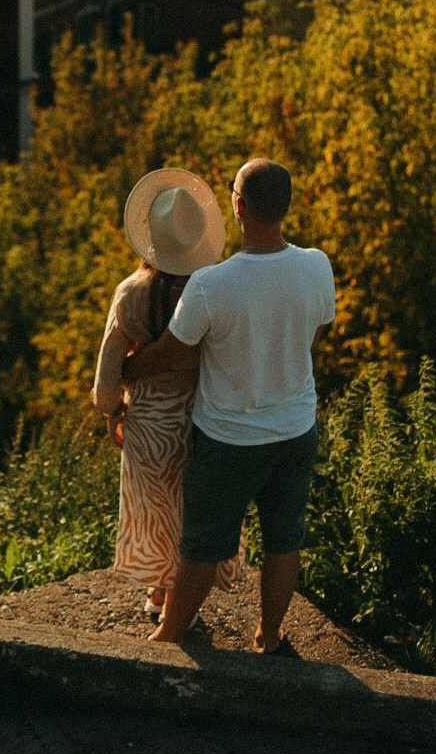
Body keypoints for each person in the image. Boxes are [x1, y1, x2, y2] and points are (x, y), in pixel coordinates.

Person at [123, 157, 335, 653]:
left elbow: (175, 350)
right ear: (285, 206)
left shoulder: (212, 285)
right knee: (285, 537)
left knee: (203, 545)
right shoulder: (315, 266)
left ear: (237, 206)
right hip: (296, 427)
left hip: (229, 437)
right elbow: (313, 332)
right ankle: (271, 634)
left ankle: (168, 635)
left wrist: (130, 369)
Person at [92, 168, 233, 617]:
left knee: (156, 510)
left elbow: (105, 380)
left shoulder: (131, 293)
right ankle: (185, 600)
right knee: (195, 510)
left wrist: (114, 411)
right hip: (204, 416)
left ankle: (158, 591)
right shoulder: (217, 289)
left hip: (150, 423)